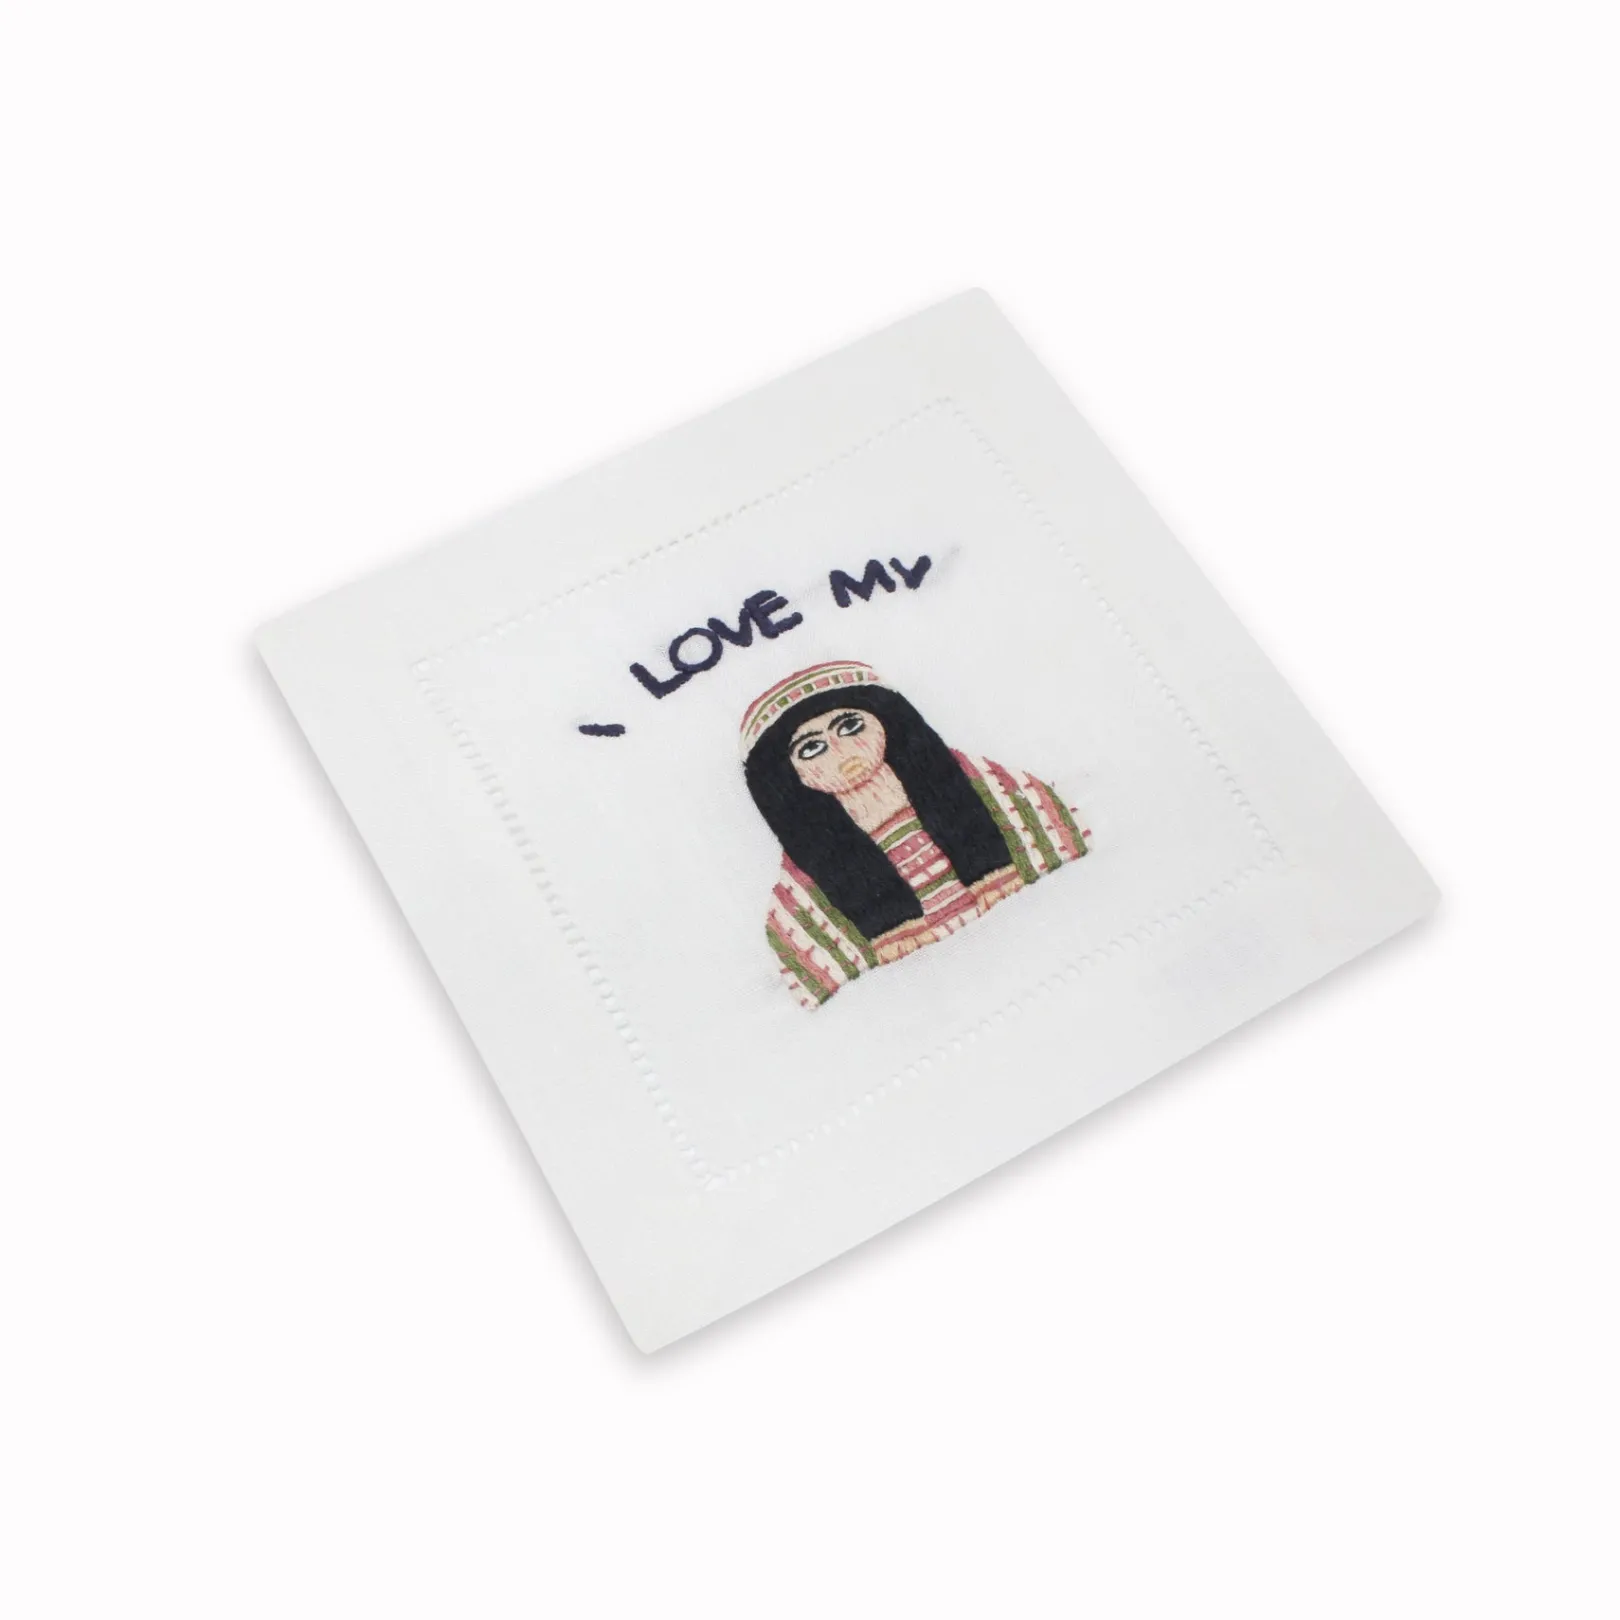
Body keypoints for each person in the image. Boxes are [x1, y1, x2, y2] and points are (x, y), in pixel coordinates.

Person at [741, 660, 1088, 1008]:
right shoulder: (801, 902)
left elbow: (1065, 858)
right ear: (788, 774)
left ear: (886, 722)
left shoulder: (997, 792)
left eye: (850, 726)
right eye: (812, 748)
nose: (843, 751)